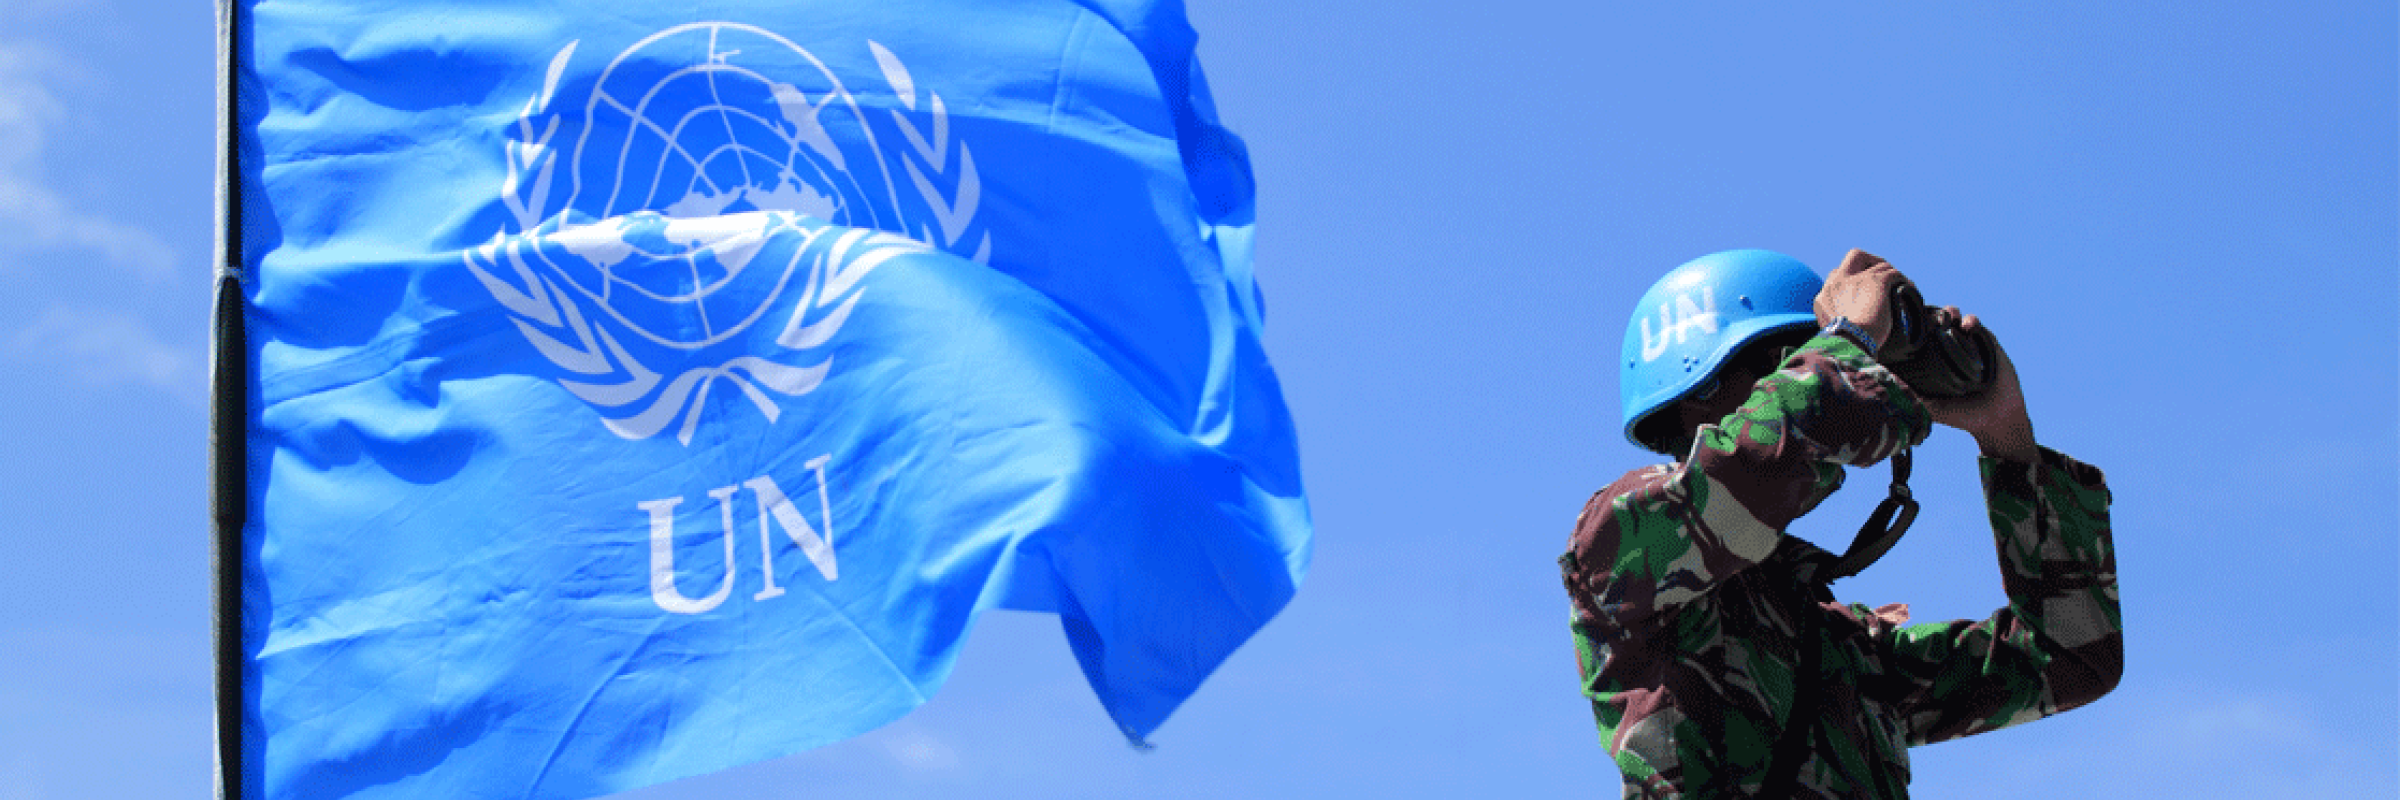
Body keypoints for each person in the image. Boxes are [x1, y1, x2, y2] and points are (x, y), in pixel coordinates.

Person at [1561, 248, 2120, 798]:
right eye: (1788, 359)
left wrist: (2006, 439)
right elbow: (1746, 476)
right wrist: (1851, 339)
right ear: (1695, 400)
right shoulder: (1621, 542)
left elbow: (2068, 655)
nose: (1816, 366)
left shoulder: (1839, 648)